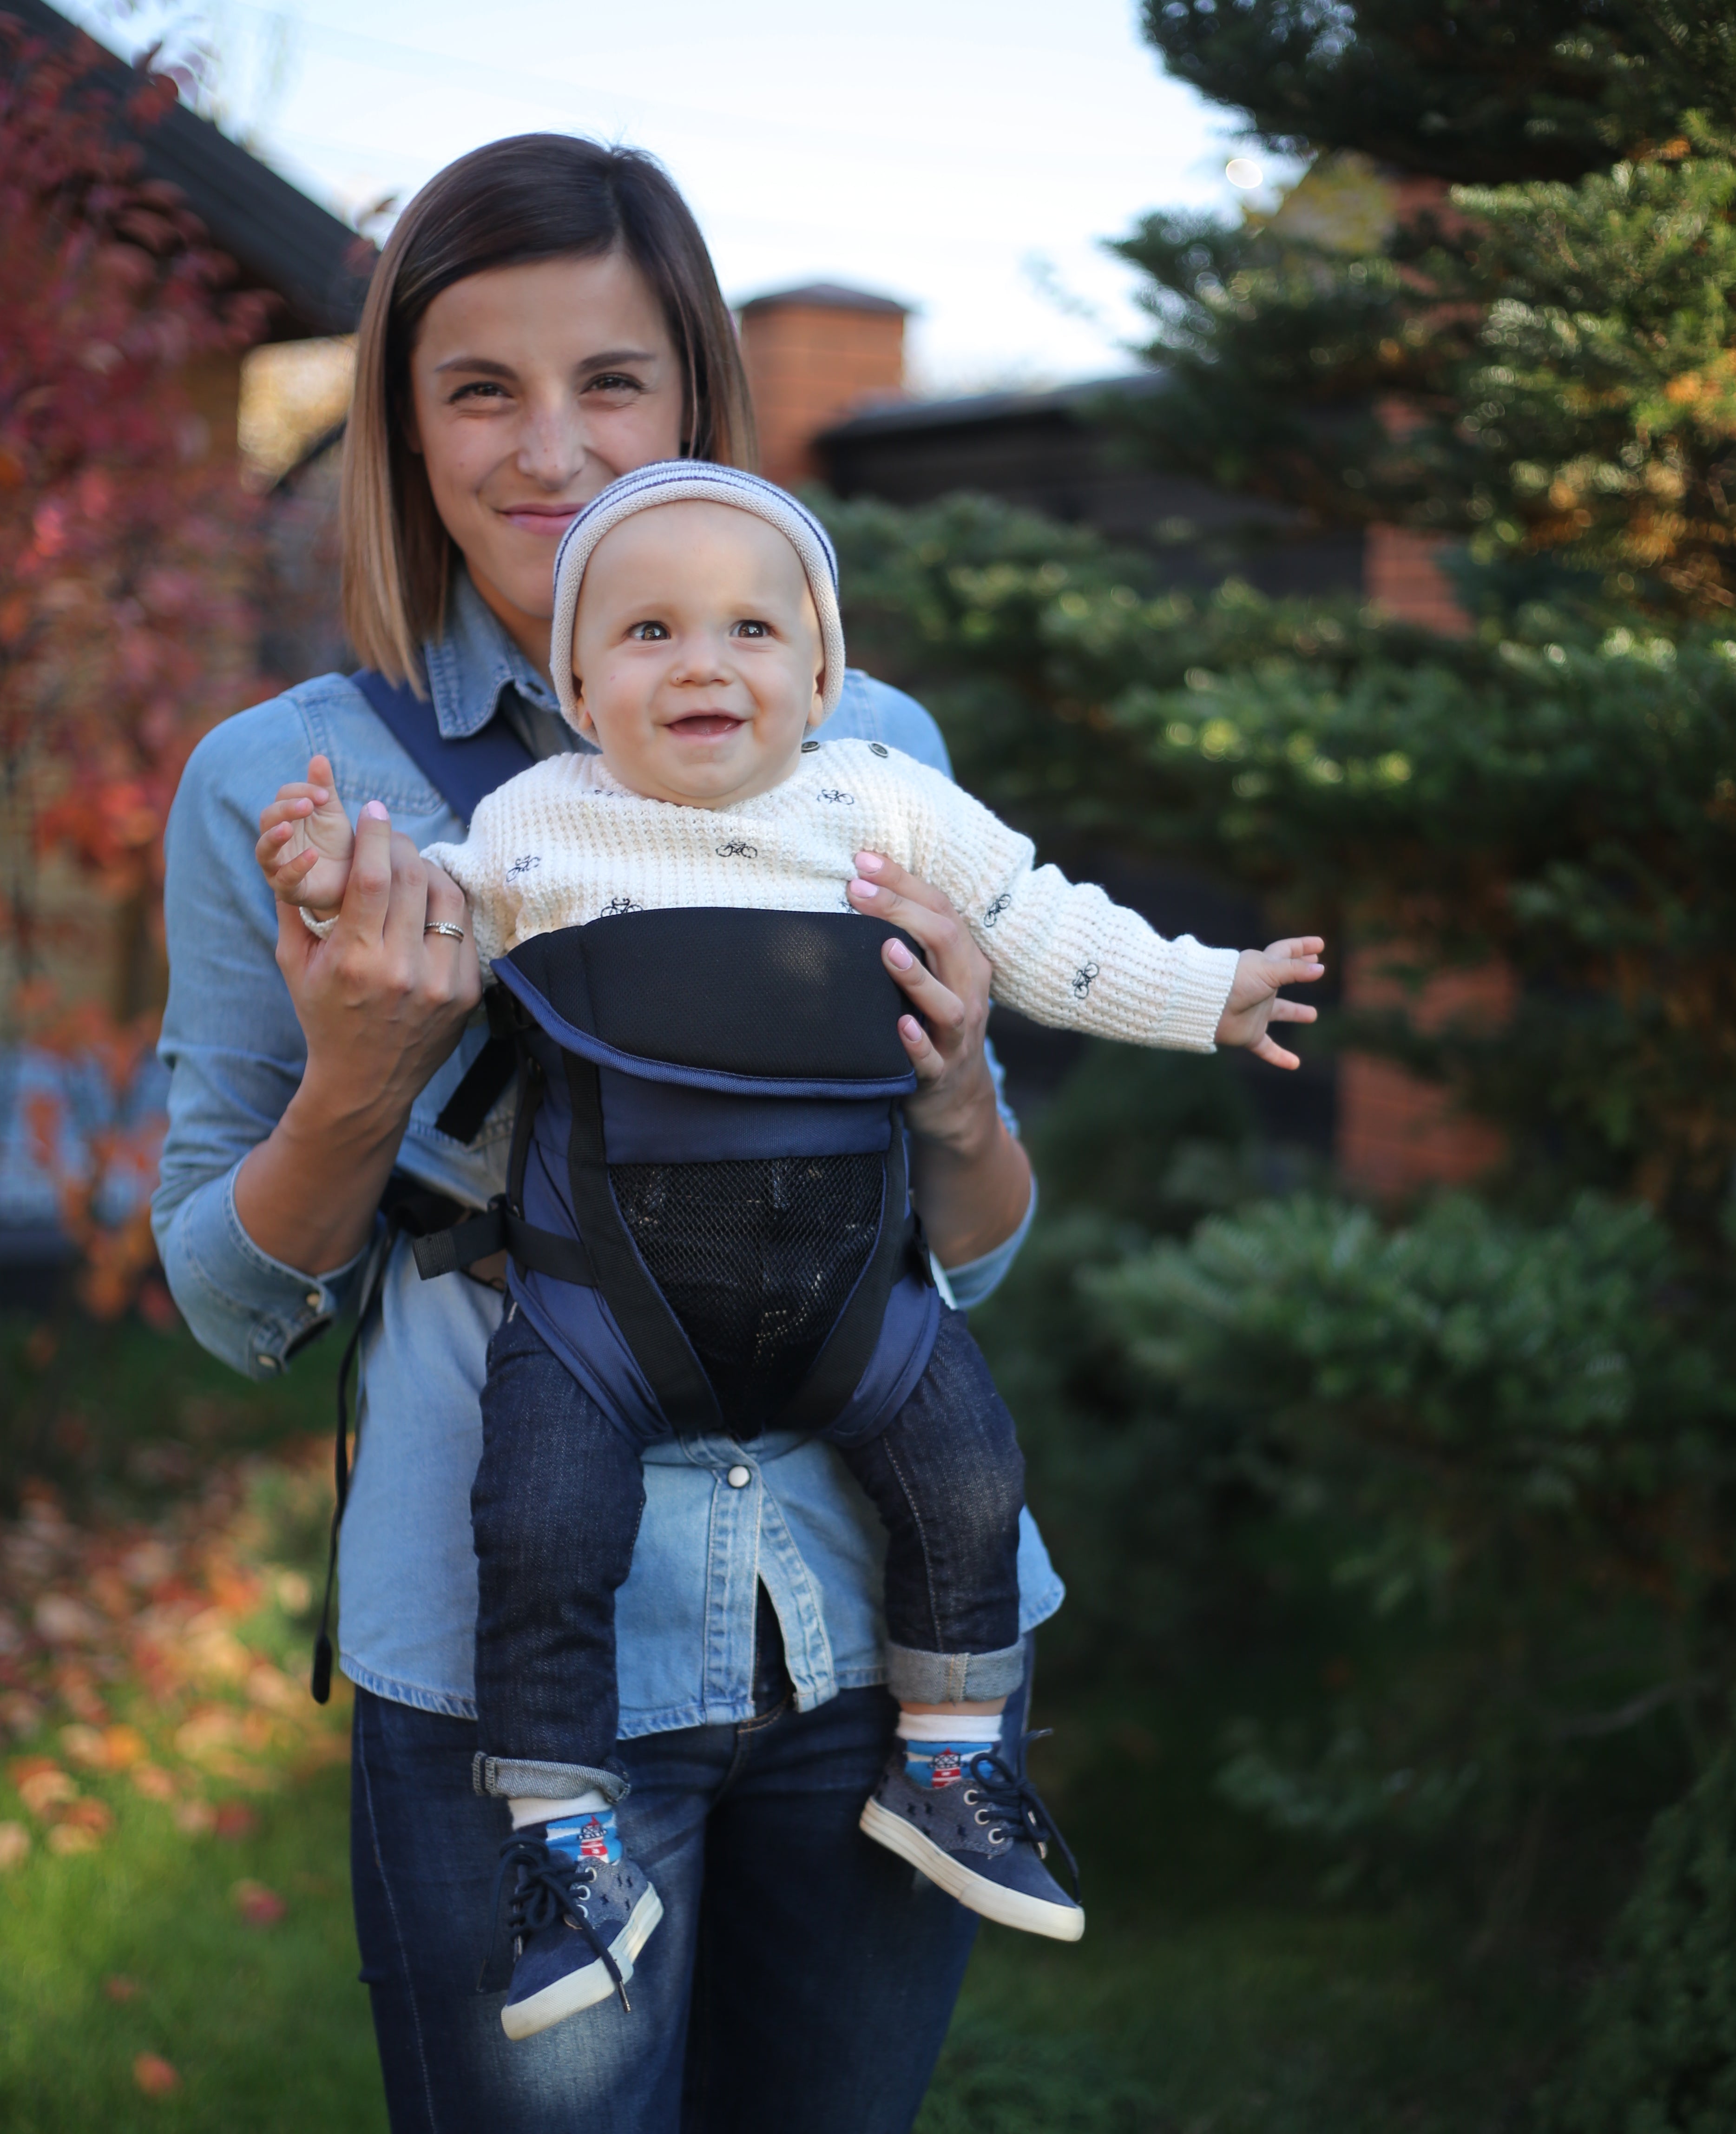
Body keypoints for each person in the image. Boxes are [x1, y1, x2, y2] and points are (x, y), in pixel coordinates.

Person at [151, 130, 1314, 2134]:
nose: (550, 447)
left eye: (610, 375)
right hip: (519, 1673)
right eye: (477, 389)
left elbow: (966, 1248)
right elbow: (226, 1298)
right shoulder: (299, 785)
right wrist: (367, 1067)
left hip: (881, 1663)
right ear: (398, 422)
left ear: (696, 389)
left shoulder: (855, 743)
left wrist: (976, 1090)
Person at [255, 461, 1322, 2042]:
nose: (703, 662)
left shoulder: (878, 804)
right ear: (573, 681)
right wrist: (336, 877)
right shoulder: (541, 826)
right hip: (601, 1309)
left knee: (966, 1469)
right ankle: (565, 1841)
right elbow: (423, 928)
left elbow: (1034, 919)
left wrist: (1202, 991)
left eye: (754, 628)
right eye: (649, 631)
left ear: (823, 676)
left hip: (853, 1299)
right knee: (538, 1518)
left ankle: (953, 1760)